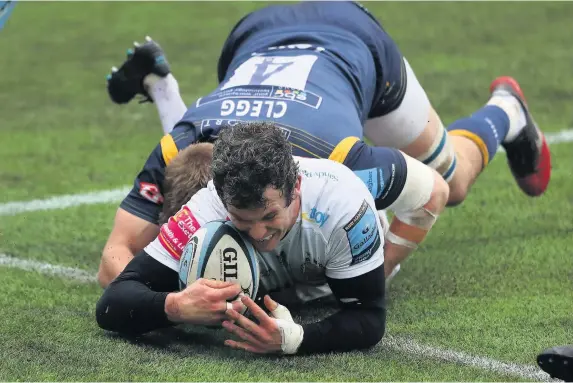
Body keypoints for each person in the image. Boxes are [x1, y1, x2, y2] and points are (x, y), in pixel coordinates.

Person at [98, 1, 551, 288]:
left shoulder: (332, 166)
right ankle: (162, 87)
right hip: (254, 34)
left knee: (454, 181)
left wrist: (376, 271)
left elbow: (431, 192)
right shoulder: (176, 150)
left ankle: (507, 110)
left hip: (353, 40)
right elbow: (112, 261)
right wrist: (179, 299)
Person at [96, 121, 448, 355]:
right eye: (242, 221)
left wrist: (295, 339)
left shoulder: (345, 207)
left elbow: (369, 319)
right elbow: (113, 302)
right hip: (281, 280)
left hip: (335, 269)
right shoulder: (207, 206)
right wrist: (175, 306)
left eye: (269, 217)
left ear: (295, 187)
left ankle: (503, 112)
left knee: (452, 180)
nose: (260, 235)